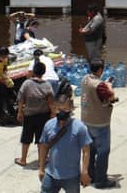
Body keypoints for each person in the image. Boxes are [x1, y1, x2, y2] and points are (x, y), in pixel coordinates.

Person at [38, 95, 91, 193]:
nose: (62, 112)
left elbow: (86, 150)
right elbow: (44, 147)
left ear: (71, 108)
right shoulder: (49, 125)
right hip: (51, 174)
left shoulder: (79, 127)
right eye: (59, 109)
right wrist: (41, 168)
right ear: (54, 109)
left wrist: (84, 172)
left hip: (71, 176)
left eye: (65, 109)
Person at [80, 59, 117, 189]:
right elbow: (111, 97)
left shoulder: (85, 79)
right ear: (100, 70)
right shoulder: (99, 85)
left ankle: (90, 176)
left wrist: (105, 84)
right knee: (103, 152)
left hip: (86, 121)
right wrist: (109, 86)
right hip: (99, 123)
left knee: (89, 150)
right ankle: (101, 180)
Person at [16, 61, 55, 168]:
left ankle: (23, 159)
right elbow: (50, 101)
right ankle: (41, 161)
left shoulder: (27, 83)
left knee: (26, 138)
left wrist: (20, 112)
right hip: (43, 116)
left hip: (29, 115)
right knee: (41, 139)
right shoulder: (47, 85)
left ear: (33, 71)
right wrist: (53, 114)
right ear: (44, 72)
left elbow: (21, 99)